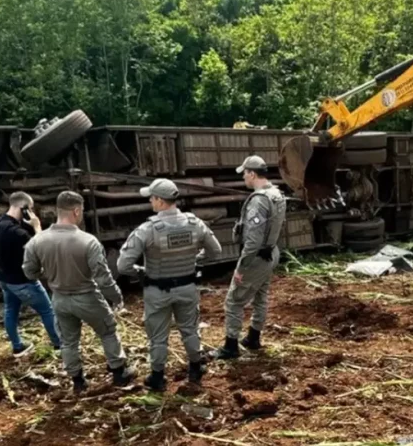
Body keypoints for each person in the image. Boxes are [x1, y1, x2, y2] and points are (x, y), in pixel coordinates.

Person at [22, 191, 135, 394]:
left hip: (60, 299)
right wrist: (116, 297)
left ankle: (78, 382)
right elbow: (103, 277)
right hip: (87, 297)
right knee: (108, 331)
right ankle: (119, 373)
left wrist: (47, 276)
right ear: (76, 210)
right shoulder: (88, 241)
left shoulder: (37, 242)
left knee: (68, 341)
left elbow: (29, 271)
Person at [116, 179, 222, 391]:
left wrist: (141, 272)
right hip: (188, 287)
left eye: (152, 198)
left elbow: (123, 265)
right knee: (190, 330)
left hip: (157, 291)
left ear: (160, 201)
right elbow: (216, 251)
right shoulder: (195, 223)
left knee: (158, 337)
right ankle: (195, 368)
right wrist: (195, 259)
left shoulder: (147, 229)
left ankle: (157, 377)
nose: (150, 201)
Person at [210, 156, 287, 360]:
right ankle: (253, 337)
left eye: (244, 173)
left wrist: (241, 269)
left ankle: (230, 346)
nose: (243, 177)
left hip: (256, 258)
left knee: (233, 301)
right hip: (271, 253)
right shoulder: (277, 194)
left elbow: (252, 241)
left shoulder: (259, 200)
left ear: (252, 174)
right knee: (261, 296)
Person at [0, 192, 61, 358]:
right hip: (22, 280)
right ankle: (59, 344)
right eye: (31, 208)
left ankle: (17, 346)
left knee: (11, 310)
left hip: (4, 278)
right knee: (47, 310)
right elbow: (41, 247)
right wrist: (36, 225)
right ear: (25, 209)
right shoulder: (16, 232)